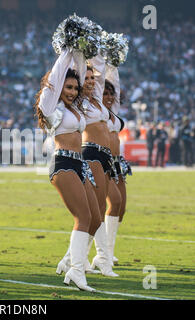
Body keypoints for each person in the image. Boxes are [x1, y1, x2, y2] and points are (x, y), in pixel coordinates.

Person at [34, 48, 102, 292]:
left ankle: (69, 261)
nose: (73, 92)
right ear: (59, 86)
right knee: (82, 217)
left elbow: (81, 73)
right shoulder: (51, 106)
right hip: (63, 164)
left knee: (95, 218)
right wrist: (66, 51)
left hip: (80, 164)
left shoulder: (76, 106)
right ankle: (76, 270)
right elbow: (56, 77)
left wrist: (81, 52)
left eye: (75, 88)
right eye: (69, 87)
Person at [80, 56, 118, 277]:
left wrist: (98, 54)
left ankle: (78, 257)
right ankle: (103, 260)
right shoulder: (79, 102)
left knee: (99, 211)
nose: (90, 81)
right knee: (96, 210)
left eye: (91, 78)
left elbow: (102, 75)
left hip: (104, 157)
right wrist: (74, 52)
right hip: (91, 153)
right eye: (85, 78)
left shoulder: (97, 101)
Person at [102, 64, 130, 266]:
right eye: (105, 93)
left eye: (112, 93)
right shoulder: (94, 110)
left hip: (117, 162)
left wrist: (112, 63)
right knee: (113, 202)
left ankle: (109, 251)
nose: (110, 97)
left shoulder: (112, 111)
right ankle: (102, 254)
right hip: (100, 160)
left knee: (121, 207)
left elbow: (116, 86)